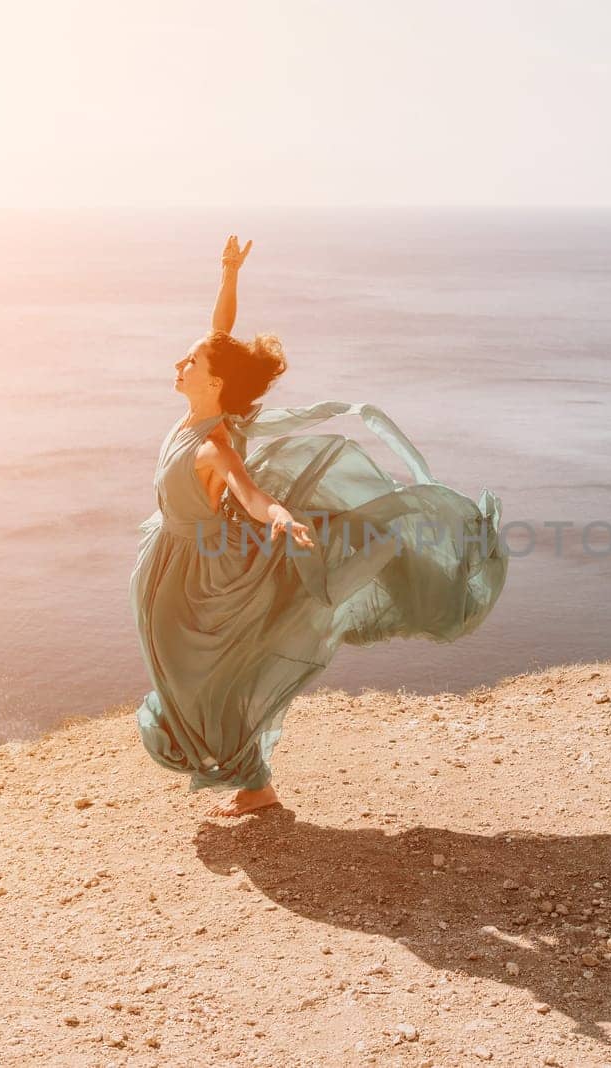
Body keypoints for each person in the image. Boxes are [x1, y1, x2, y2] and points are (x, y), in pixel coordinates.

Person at [130, 236, 509, 817]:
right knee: (175, 662)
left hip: (205, 569)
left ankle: (250, 779)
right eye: (186, 358)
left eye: (191, 363)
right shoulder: (210, 410)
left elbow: (251, 496)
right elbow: (219, 334)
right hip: (170, 556)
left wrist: (282, 516)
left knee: (206, 667)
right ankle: (241, 772)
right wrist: (228, 274)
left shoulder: (215, 444)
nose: (179, 364)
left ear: (212, 383)